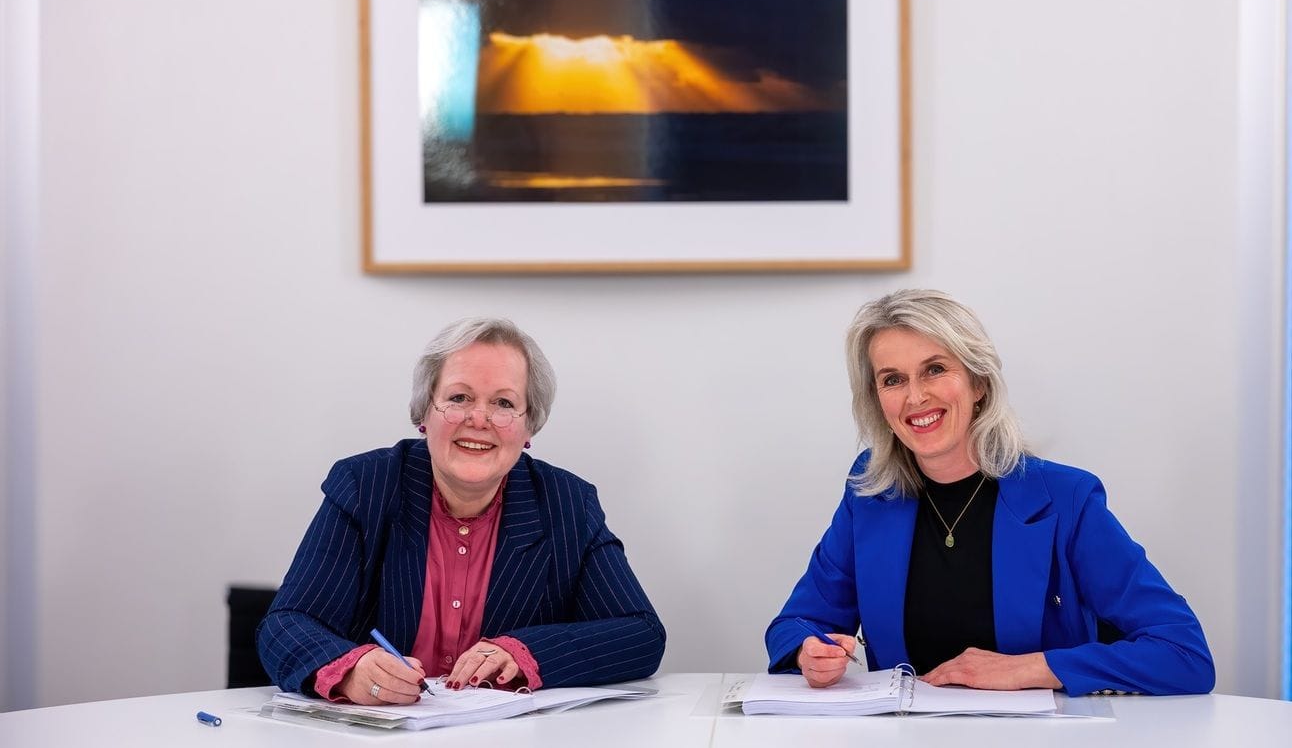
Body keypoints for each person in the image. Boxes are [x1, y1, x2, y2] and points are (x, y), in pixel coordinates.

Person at [765, 289, 1214, 696]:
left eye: (935, 370)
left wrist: (1032, 669)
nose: (915, 397)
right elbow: (797, 624)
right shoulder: (871, 492)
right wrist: (810, 652)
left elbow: (1184, 653)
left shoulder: (1065, 498)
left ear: (978, 384)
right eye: (893, 379)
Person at [258, 318, 665, 704]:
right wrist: (350, 668)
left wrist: (525, 652)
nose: (478, 419)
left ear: (528, 428)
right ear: (424, 414)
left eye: (503, 403)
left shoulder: (567, 504)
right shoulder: (366, 486)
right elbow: (285, 624)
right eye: (459, 397)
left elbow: (641, 635)